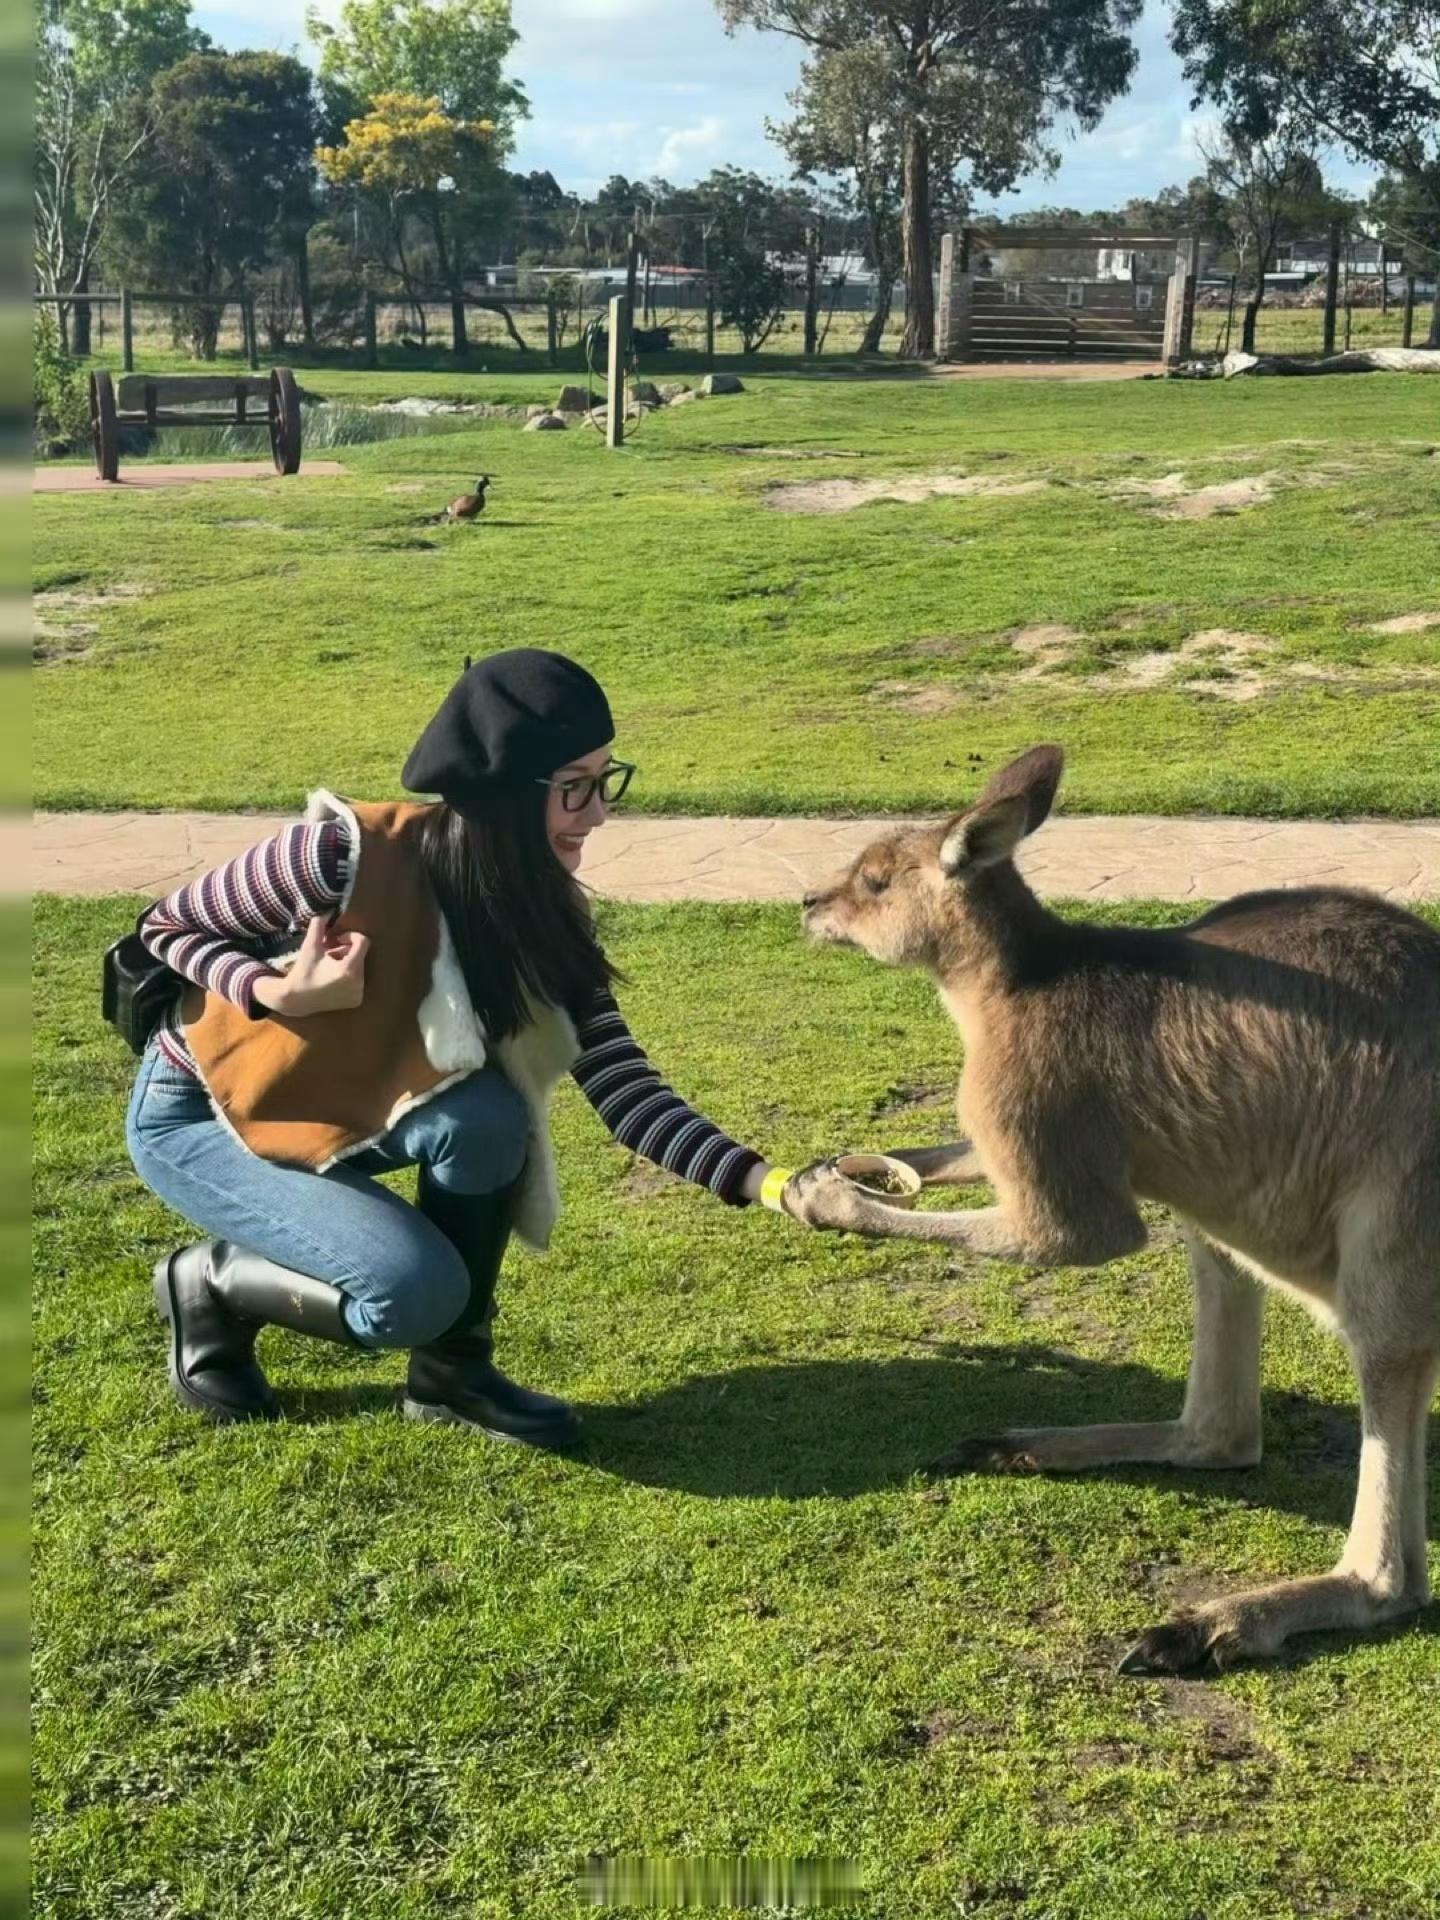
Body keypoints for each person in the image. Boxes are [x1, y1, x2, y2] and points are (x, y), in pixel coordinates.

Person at [125, 650, 792, 1448]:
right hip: (203, 1115)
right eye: (574, 787)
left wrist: (777, 1186)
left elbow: (624, 1088)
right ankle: (211, 1283)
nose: (598, 815)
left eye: (604, 781)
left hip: (350, 1103)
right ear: (505, 791)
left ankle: (453, 1378)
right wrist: (275, 991)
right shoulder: (337, 857)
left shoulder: (540, 911)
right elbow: (166, 927)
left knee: (490, 1117)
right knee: (412, 1294)